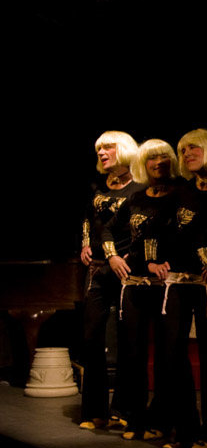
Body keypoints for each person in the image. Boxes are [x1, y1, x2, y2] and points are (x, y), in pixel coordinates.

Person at [103, 139, 181, 441]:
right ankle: (135, 418)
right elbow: (107, 228)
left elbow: (183, 236)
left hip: (166, 285)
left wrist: (162, 260)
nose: (158, 163)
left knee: (165, 355)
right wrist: (112, 256)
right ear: (142, 163)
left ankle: (161, 419)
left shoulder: (180, 196)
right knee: (132, 353)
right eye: (151, 158)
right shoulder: (136, 197)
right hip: (134, 283)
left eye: (163, 157)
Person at [157, 129, 207, 448]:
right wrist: (153, 260)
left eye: (193, 148)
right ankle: (185, 428)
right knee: (171, 353)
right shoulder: (181, 193)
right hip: (178, 281)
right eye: (183, 150)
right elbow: (157, 229)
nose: (186, 154)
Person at [79, 131, 143, 430]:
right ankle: (95, 410)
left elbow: (143, 226)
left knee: (129, 339)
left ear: (125, 149)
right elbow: (88, 218)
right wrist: (84, 244)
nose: (102, 153)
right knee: (92, 337)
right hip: (97, 268)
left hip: (125, 268)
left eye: (108, 147)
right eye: (99, 149)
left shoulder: (140, 187)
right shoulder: (97, 185)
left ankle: (124, 409)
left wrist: (132, 255)